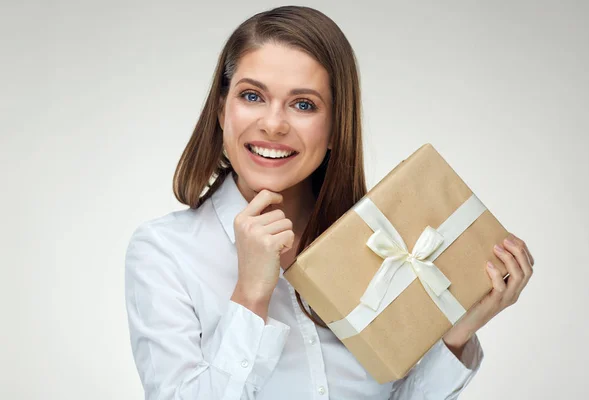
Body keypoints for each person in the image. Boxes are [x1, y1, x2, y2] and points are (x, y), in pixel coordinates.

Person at [124, 5, 535, 400]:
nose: (273, 123)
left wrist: (455, 335)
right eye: (252, 96)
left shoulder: (381, 246)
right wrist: (250, 295)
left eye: (303, 104)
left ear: (338, 125)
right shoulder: (164, 252)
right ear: (220, 110)